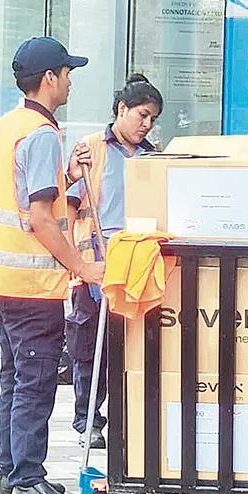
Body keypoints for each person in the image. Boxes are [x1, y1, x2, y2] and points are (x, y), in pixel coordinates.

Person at [0, 36, 103, 494]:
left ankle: (11, 473)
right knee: (36, 381)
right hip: (31, 284)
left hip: (0, 279)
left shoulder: (10, 126)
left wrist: (65, 174)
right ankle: (29, 480)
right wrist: (83, 265)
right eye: (67, 73)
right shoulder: (43, 133)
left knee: (15, 377)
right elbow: (42, 218)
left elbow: (25, 195)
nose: (70, 81)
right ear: (50, 78)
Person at [65, 74, 162, 449]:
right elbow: (68, 207)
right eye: (141, 114)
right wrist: (75, 263)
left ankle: (127, 417)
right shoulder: (91, 149)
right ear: (122, 109)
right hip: (96, 262)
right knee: (90, 348)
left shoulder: (153, 155)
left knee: (129, 345)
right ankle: (87, 420)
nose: (146, 124)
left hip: (137, 263)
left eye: (152, 118)